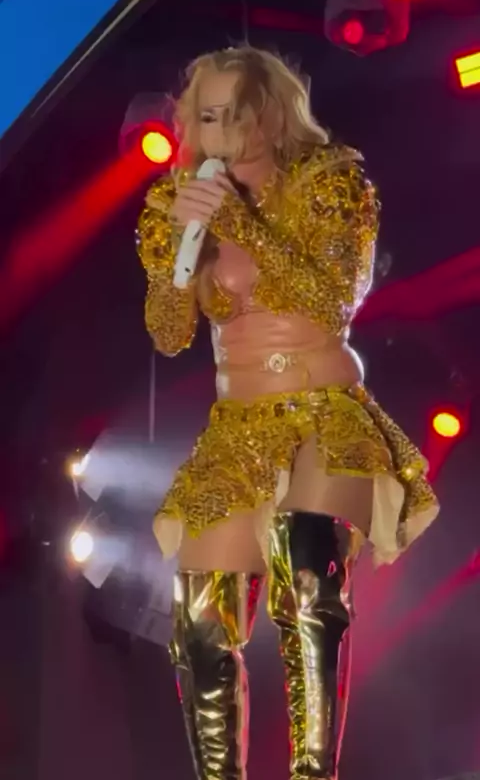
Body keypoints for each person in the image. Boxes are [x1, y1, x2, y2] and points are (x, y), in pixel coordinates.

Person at [136, 46, 439, 780]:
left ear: (269, 115)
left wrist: (243, 225)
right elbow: (169, 333)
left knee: (308, 574)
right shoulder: (175, 203)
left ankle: (313, 773)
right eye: (204, 116)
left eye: (230, 114)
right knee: (199, 624)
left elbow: (331, 300)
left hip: (323, 411)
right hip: (239, 426)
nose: (216, 131)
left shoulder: (328, 181)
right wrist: (183, 252)